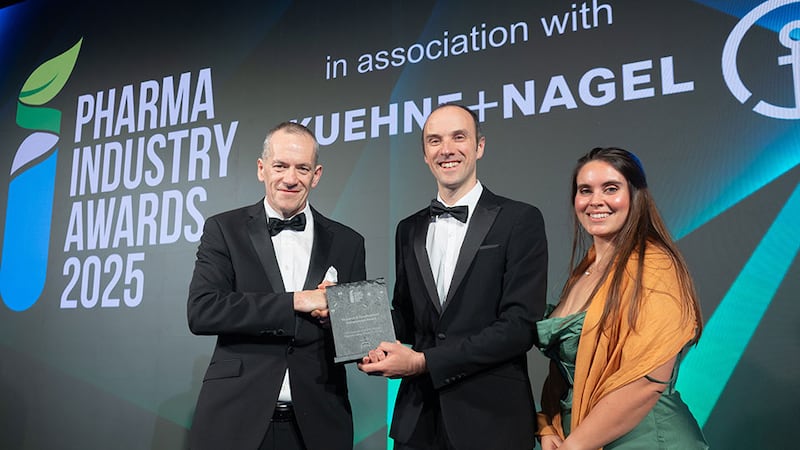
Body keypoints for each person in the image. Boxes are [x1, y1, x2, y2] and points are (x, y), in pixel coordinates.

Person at [358, 104, 548, 449]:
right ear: (425, 154)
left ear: (479, 146)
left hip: (492, 419)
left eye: (458, 137)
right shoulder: (409, 228)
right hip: (418, 422)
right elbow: (406, 317)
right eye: (434, 141)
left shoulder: (519, 219)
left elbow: (520, 327)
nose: (446, 149)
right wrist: (343, 318)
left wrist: (423, 361)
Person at [187, 122, 366, 450]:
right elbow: (203, 311)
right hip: (235, 421)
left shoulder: (348, 242)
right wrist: (297, 301)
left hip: (319, 425)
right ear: (261, 168)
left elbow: (356, 339)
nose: (290, 178)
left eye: (302, 168)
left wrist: (335, 321)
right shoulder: (224, 229)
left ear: (317, 174)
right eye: (280, 166)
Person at [535, 147, 709, 449]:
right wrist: (550, 425)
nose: (595, 201)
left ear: (635, 196)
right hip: (581, 438)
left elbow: (645, 383)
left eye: (611, 188)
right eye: (585, 190)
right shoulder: (585, 271)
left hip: (647, 440)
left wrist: (575, 445)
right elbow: (566, 375)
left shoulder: (655, 265)